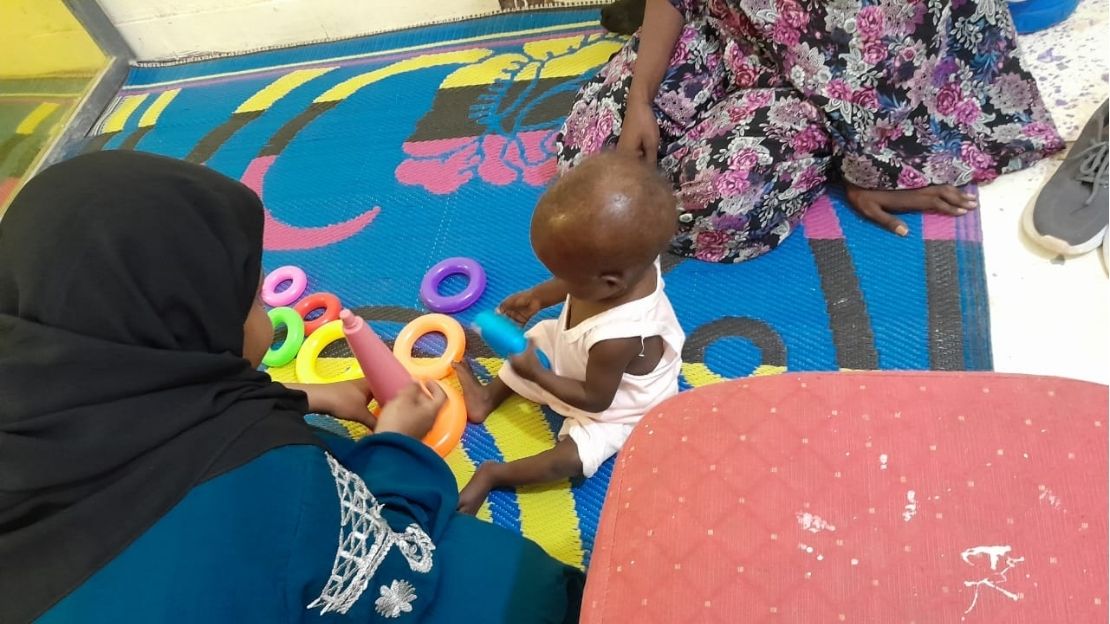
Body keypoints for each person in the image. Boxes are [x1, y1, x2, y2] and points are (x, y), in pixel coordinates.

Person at [0, 151, 584, 624]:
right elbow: (393, 581)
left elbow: (146, 420)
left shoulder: (48, 379)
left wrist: (311, 396)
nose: (259, 312)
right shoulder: (272, 476)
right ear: (186, 323)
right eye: (249, 299)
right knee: (509, 578)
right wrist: (398, 444)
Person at [559, 0, 1065, 263]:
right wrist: (640, 99)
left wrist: (870, 166)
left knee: (716, 198)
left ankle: (814, 153)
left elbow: (899, 42)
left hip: (832, 83)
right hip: (722, 30)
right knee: (593, 167)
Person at [453, 153, 685, 515]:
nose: (561, 281)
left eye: (566, 275)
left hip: (619, 405)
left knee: (572, 460)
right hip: (578, 354)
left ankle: (494, 474)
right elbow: (576, 284)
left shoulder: (618, 337)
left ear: (609, 282)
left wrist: (538, 374)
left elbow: (595, 400)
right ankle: (485, 399)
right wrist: (539, 297)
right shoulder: (626, 261)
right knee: (542, 335)